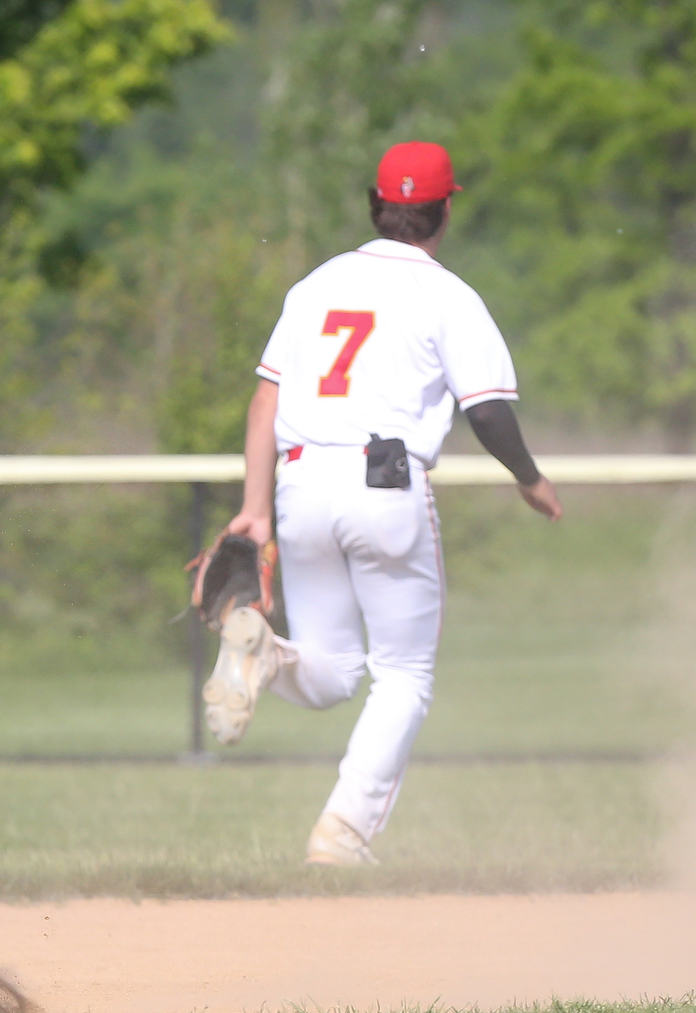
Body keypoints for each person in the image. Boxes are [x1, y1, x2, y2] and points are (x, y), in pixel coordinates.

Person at [205, 142, 562, 865]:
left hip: (301, 481)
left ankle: (262, 652)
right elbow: (487, 410)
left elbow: (267, 397)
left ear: (375, 203)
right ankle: (344, 832)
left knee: (333, 672)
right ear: (445, 210)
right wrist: (528, 476)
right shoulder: (448, 295)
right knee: (404, 673)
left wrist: (254, 507)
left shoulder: (316, 285)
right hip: (384, 481)